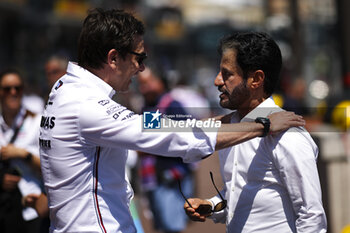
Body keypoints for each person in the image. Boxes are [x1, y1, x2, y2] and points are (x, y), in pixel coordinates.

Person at [39, 9, 305, 233]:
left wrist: (229, 122)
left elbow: (159, 125)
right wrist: (262, 125)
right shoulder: (86, 105)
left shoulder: (67, 90)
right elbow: (168, 136)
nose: (142, 69)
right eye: (139, 58)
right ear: (113, 58)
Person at [183, 32, 327, 232]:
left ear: (256, 79)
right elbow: (237, 192)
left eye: (227, 74)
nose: (217, 81)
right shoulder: (233, 128)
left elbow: (311, 215)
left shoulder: (287, 134)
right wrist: (211, 206)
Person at [137, 66, 195, 233]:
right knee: (163, 225)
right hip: (153, 177)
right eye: (141, 84)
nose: (145, 88)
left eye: (148, 82)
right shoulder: (148, 106)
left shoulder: (171, 105)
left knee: (172, 226)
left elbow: (189, 137)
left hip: (170, 176)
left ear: (160, 82)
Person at [0, 69, 43, 233]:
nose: (13, 92)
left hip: (31, 207)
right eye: (7, 88)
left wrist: (22, 154)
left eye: (17, 88)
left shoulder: (37, 121)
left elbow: (53, 167)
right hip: (4, 207)